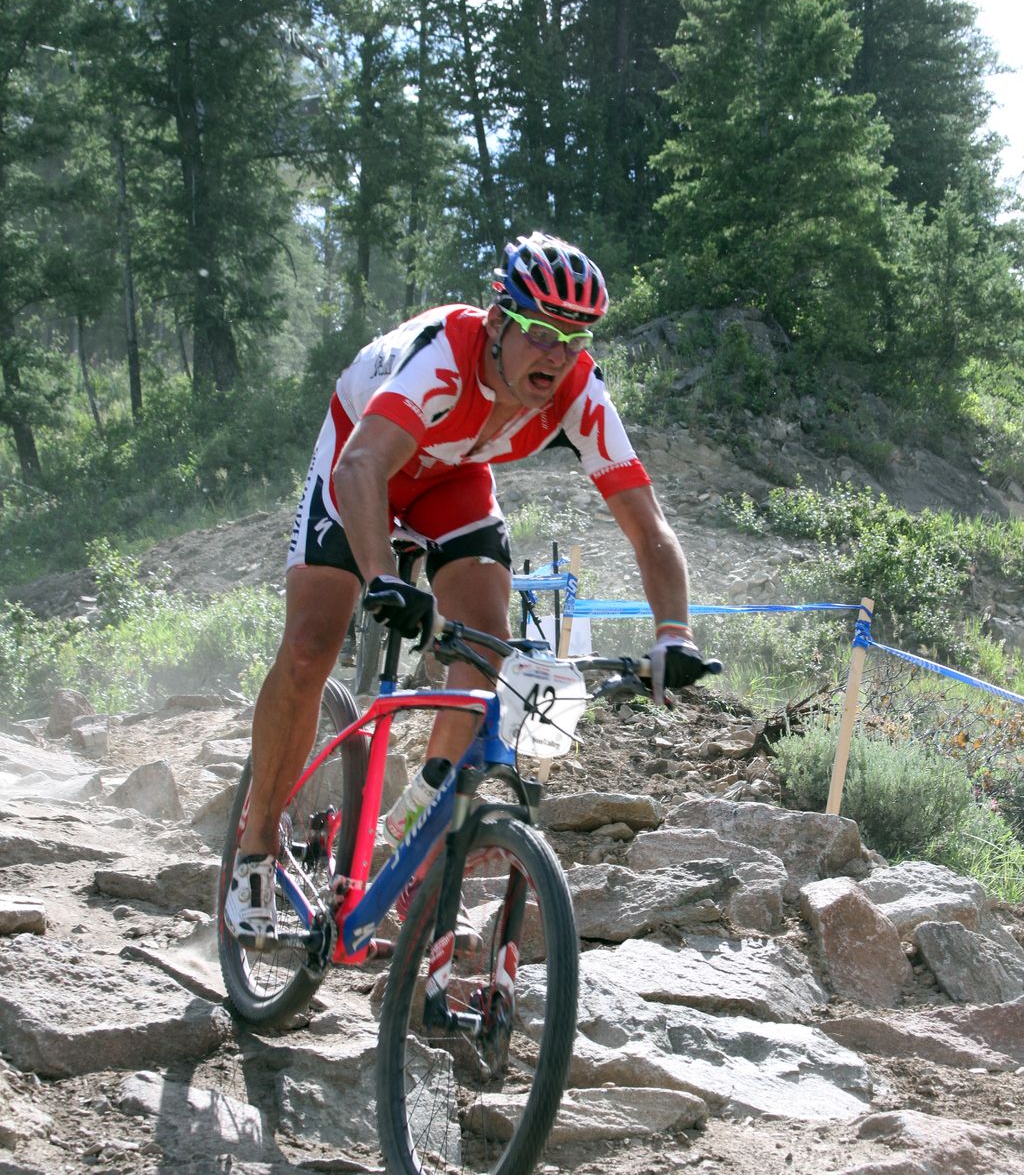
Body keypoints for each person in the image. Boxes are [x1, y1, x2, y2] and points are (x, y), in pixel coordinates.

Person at [224, 231, 708, 940]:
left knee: (485, 653)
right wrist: (381, 576)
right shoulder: (443, 359)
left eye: (574, 340)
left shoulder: (578, 387)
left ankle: (414, 825)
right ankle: (255, 853)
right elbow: (359, 471)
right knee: (310, 645)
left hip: (452, 480)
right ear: (498, 319)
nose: (557, 354)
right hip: (365, 461)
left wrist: (674, 632)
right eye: (542, 333)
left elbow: (647, 524)